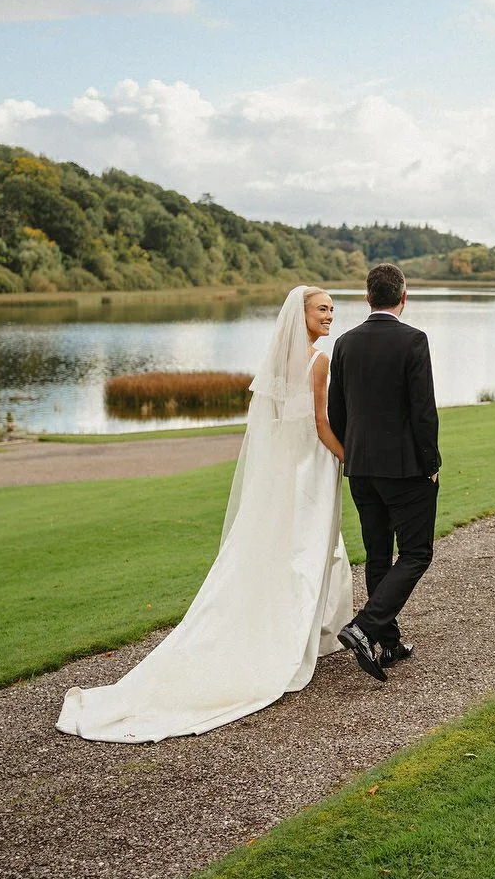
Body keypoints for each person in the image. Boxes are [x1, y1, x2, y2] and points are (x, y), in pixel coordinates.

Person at [56, 286, 353, 742]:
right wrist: (345, 457)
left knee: (288, 548)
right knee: (308, 550)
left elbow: (272, 425)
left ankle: (313, 629)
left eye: (333, 309)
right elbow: (319, 422)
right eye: (322, 309)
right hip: (309, 467)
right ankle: (294, 640)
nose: (330, 315)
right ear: (302, 315)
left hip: (279, 474)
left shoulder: (275, 362)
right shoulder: (319, 361)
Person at [329, 263, 441, 682]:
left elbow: (335, 412)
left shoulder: (344, 342)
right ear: (403, 296)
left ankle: (388, 642)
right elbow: (422, 412)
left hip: (360, 468)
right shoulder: (413, 340)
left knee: (378, 554)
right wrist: (430, 464)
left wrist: (353, 455)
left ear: (367, 297)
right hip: (405, 471)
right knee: (416, 553)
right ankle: (364, 627)